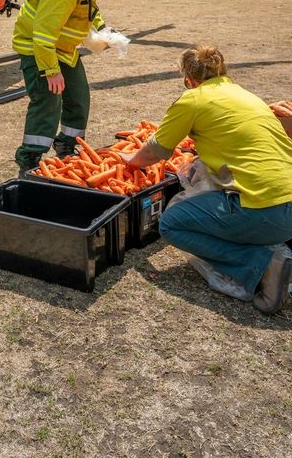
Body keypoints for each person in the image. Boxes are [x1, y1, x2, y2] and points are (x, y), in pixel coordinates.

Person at [122, 45, 292, 314]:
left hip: (267, 211)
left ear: (188, 79)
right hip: (286, 206)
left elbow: (155, 151)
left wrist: (129, 160)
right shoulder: (247, 95)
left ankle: (262, 266)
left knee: (172, 224)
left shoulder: (192, 99)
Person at [12, 0, 126, 174]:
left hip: (63, 50)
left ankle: (67, 146)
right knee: (48, 102)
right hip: (39, 50)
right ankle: (30, 158)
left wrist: (103, 29)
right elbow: (43, 32)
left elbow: (88, 9)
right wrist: (51, 71)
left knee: (78, 97)